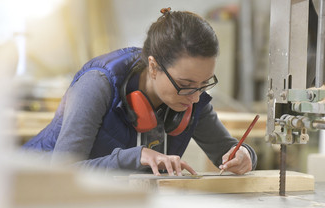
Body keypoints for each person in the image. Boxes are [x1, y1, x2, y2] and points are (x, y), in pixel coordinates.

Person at [23, 8, 257, 176]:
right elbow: (62, 174)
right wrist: (137, 156)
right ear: (154, 67)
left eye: (204, 83)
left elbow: (227, 150)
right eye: (185, 84)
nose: (195, 97)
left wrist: (245, 156)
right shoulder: (97, 85)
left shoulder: (190, 94)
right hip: (30, 192)